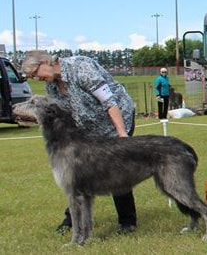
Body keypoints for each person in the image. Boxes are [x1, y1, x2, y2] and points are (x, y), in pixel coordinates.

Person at [21, 50, 138, 234]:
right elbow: (62, 115)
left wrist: (122, 134)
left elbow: (109, 101)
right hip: (90, 129)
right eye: (32, 77)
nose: (36, 78)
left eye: (35, 73)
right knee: (78, 174)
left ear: (45, 62)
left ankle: (127, 222)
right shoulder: (52, 86)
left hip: (116, 119)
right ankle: (72, 219)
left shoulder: (81, 67)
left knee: (115, 170)